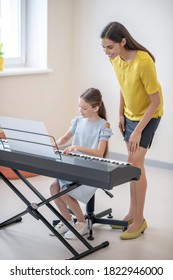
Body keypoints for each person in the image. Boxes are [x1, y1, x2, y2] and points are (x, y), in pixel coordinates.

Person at [100, 22, 163, 240]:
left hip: (149, 116)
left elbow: (155, 101)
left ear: (122, 42)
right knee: (131, 164)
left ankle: (139, 219)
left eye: (110, 47)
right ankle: (131, 213)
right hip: (129, 115)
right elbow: (123, 85)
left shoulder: (143, 62)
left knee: (136, 163)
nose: (107, 52)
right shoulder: (115, 60)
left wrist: (137, 131)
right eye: (104, 48)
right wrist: (120, 114)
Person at [50, 87, 113, 239]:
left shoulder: (103, 125)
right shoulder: (78, 121)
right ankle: (67, 221)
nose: (80, 110)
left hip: (92, 168)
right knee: (54, 187)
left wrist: (77, 147)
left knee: (63, 191)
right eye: (79, 106)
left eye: (84, 108)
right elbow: (64, 139)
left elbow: (99, 152)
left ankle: (82, 223)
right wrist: (54, 145)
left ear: (96, 108)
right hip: (75, 165)